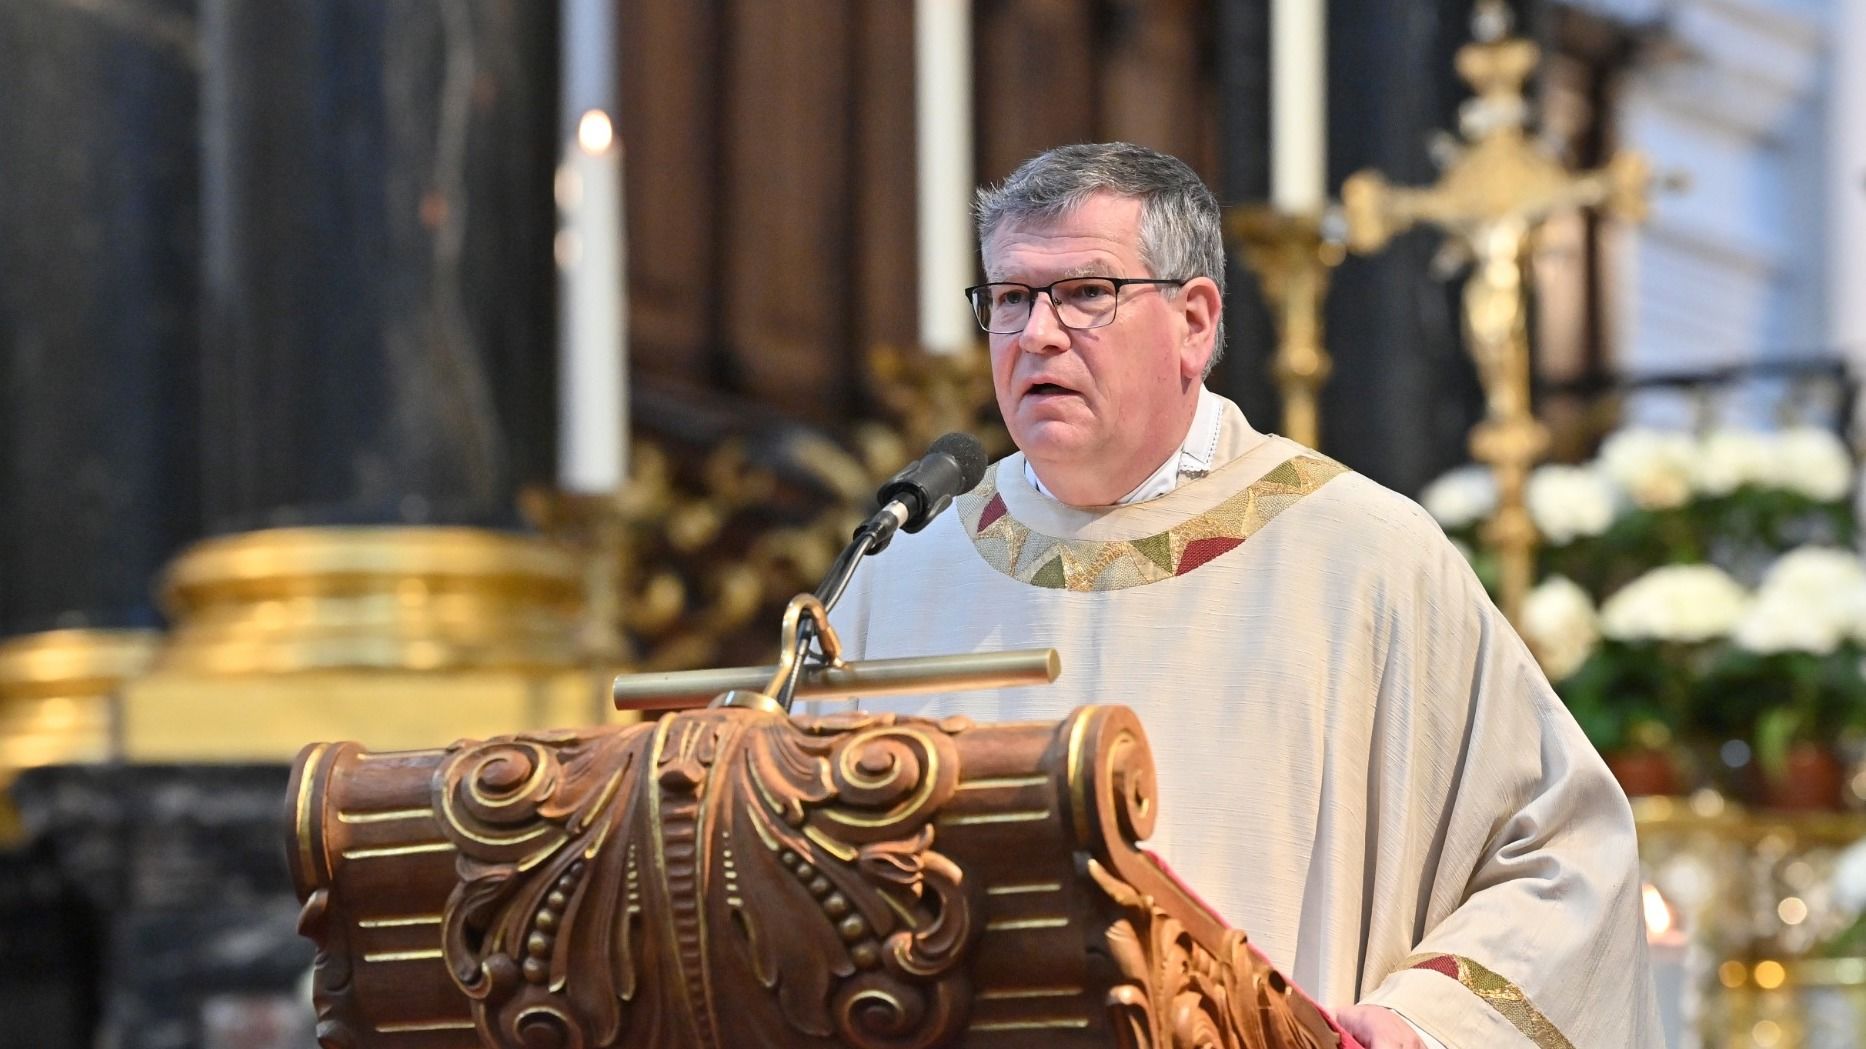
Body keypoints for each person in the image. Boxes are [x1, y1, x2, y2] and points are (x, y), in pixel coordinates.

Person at [820, 142, 1659, 1048]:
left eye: (1087, 293)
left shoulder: (1364, 555)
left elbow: (1566, 852)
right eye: (1012, 297)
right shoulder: (906, 567)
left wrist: (1426, 1019)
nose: (1037, 334)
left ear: (1195, 320)